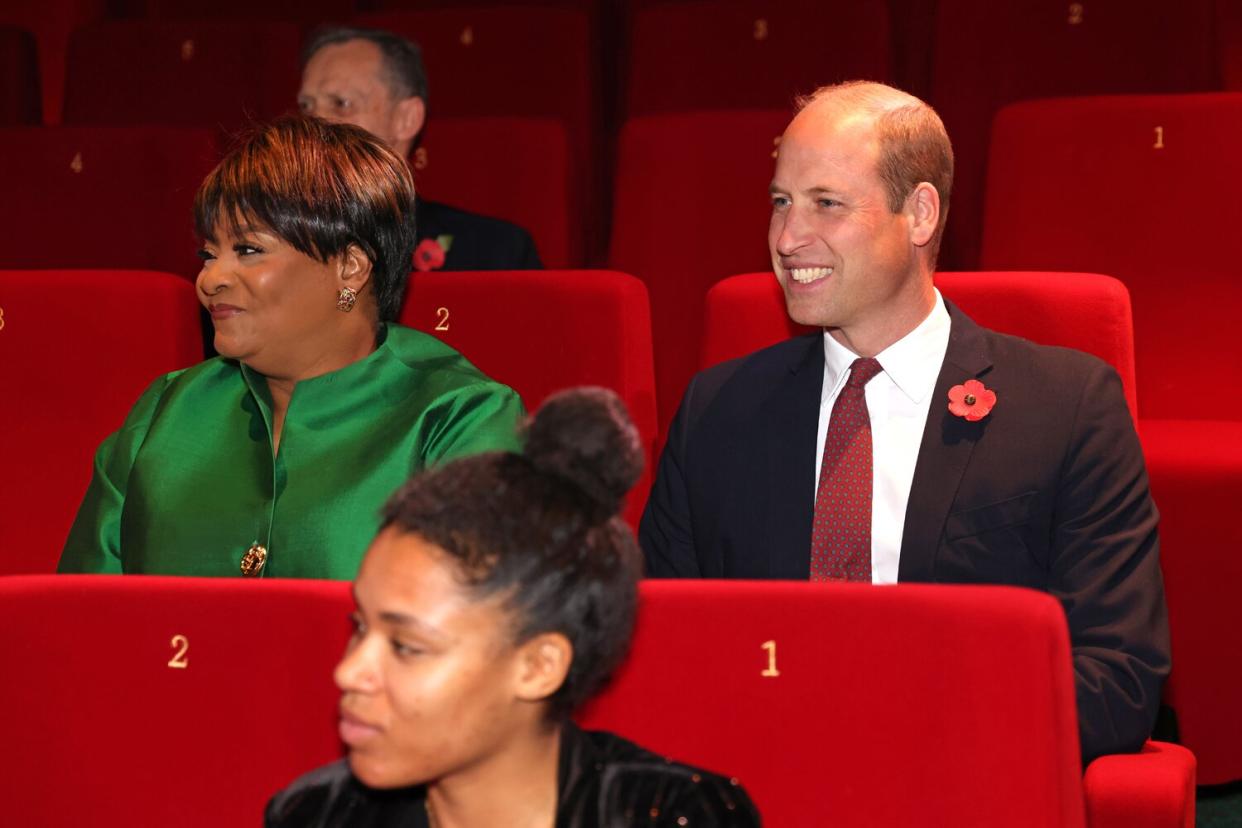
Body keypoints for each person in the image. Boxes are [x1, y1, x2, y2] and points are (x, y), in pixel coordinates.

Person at [639, 81, 1169, 765]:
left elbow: (1117, 681)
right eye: (780, 202)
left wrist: (889, 727)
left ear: (919, 214)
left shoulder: (1066, 409)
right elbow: (655, 651)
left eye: (825, 203)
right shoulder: (718, 412)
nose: (787, 237)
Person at [265, 388, 761, 828]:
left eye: (407, 646)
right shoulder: (317, 813)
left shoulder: (674, 814)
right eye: (359, 627)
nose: (349, 672)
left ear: (538, 666)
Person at [58, 116, 524, 578]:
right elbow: (81, 624)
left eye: (248, 250)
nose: (209, 280)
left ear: (351, 267)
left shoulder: (457, 418)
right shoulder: (165, 412)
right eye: (208, 254)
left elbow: (480, 626)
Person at [298, 26, 542, 272]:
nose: (312, 123)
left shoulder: (491, 253)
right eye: (306, 106)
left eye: (342, 103)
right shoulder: (273, 243)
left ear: (407, 119)